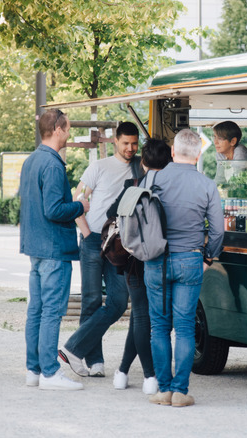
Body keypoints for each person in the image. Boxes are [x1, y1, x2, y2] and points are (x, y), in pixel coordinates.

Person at [58, 122, 144, 380]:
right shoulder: (99, 167)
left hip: (119, 244)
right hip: (94, 238)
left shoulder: (139, 167)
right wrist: (85, 233)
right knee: (92, 301)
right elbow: (78, 198)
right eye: (126, 143)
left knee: (118, 302)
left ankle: (72, 348)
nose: (130, 148)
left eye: (134, 144)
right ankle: (94, 360)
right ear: (115, 141)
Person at [146, 129, 224, 407]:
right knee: (185, 328)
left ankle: (163, 390)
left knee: (159, 327)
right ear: (198, 154)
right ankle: (180, 391)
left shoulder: (154, 178)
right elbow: (217, 231)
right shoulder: (206, 185)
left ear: (172, 152)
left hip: (156, 260)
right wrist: (208, 258)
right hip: (190, 260)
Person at [19, 109, 89, 390]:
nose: (69, 133)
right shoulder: (53, 164)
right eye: (68, 128)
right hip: (54, 248)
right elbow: (54, 209)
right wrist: (80, 206)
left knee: (35, 311)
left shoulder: (31, 161)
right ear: (58, 129)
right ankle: (49, 372)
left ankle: (34, 370)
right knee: (50, 312)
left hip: (35, 247)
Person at [112, 138, 172, 393]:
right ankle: (149, 375)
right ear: (169, 161)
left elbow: (110, 213)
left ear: (143, 162)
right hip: (163, 260)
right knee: (148, 319)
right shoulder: (171, 187)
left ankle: (123, 372)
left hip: (135, 261)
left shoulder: (132, 186)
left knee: (139, 317)